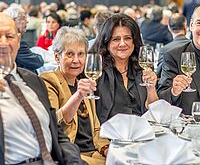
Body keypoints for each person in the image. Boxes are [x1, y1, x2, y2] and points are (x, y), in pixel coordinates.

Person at [0, 13, 86, 165]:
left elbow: (57, 133)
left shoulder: (33, 81)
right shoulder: (49, 80)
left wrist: (74, 162)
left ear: (19, 41)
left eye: (9, 36)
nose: (3, 43)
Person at [40, 27, 110, 165]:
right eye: (70, 54)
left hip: (94, 152)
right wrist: (78, 96)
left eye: (81, 54)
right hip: (71, 154)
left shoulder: (82, 83)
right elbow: (53, 123)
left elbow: (96, 128)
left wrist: (107, 149)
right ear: (56, 57)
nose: (76, 60)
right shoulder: (48, 81)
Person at [91, 13, 159, 124]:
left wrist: (151, 88)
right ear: (106, 42)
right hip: (107, 137)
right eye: (116, 39)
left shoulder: (141, 69)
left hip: (142, 134)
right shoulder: (96, 71)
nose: (122, 44)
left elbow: (154, 112)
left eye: (127, 38)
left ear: (134, 41)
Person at [158, 6, 200, 115]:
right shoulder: (173, 55)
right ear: (191, 26)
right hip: (187, 127)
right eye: (199, 23)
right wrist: (174, 91)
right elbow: (161, 98)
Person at [3, 5, 44, 74]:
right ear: (13, 21)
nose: (27, 22)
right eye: (24, 18)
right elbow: (38, 62)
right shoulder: (17, 43)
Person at [156, 13, 191, 78]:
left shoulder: (165, 49)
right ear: (185, 26)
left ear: (169, 27)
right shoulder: (193, 46)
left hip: (172, 86)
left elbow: (158, 74)